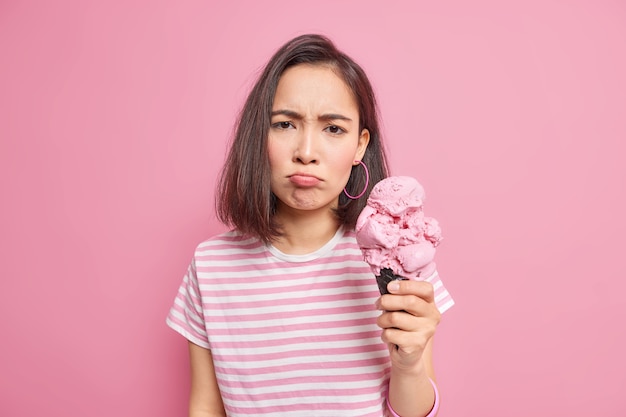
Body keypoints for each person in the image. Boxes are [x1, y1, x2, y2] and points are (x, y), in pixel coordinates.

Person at [167, 34, 454, 417]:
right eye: (285, 124)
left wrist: (408, 363)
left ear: (359, 145)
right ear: (260, 134)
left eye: (333, 129)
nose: (306, 152)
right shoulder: (211, 266)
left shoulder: (399, 260)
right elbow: (205, 407)